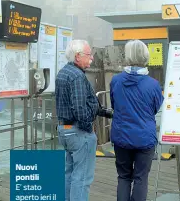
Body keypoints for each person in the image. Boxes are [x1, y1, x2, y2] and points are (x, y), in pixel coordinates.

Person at [110, 39, 164, 201]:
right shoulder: (153, 85)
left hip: (121, 137)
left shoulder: (116, 81)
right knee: (141, 178)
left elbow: (114, 105)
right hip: (145, 138)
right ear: (145, 56)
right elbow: (155, 109)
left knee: (124, 176)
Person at [55, 39, 99, 201]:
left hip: (64, 130)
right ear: (78, 56)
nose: (92, 58)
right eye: (89, 55)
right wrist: (88, 128)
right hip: (78, 132)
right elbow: (80, 109)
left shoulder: (63, 72)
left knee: (69, 174)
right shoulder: (77, 77)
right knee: (82, 178)